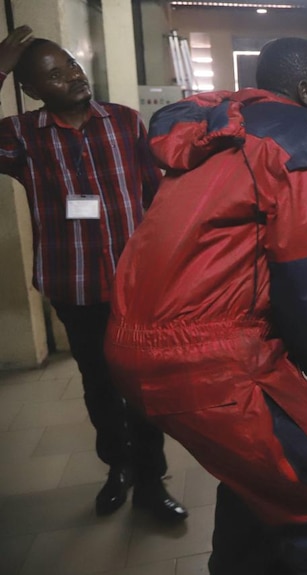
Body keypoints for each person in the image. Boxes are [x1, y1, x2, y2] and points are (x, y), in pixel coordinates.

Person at [103, 37, 307, 574]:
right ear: (306, 90)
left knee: (265, 491)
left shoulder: (219, 129)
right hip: (214, 361)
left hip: (141, 344)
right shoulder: (303, 141)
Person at [0, 26, 186, 522]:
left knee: (142, 385)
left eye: (73, 66)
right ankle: (117, 467)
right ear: (34, 92)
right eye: (55, 76)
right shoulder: (22, 136)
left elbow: (154, 195)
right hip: (75, 284)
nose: (73, 78)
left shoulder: (125, 122)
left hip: (135, 284)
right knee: (99, 384)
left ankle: (151, 481)